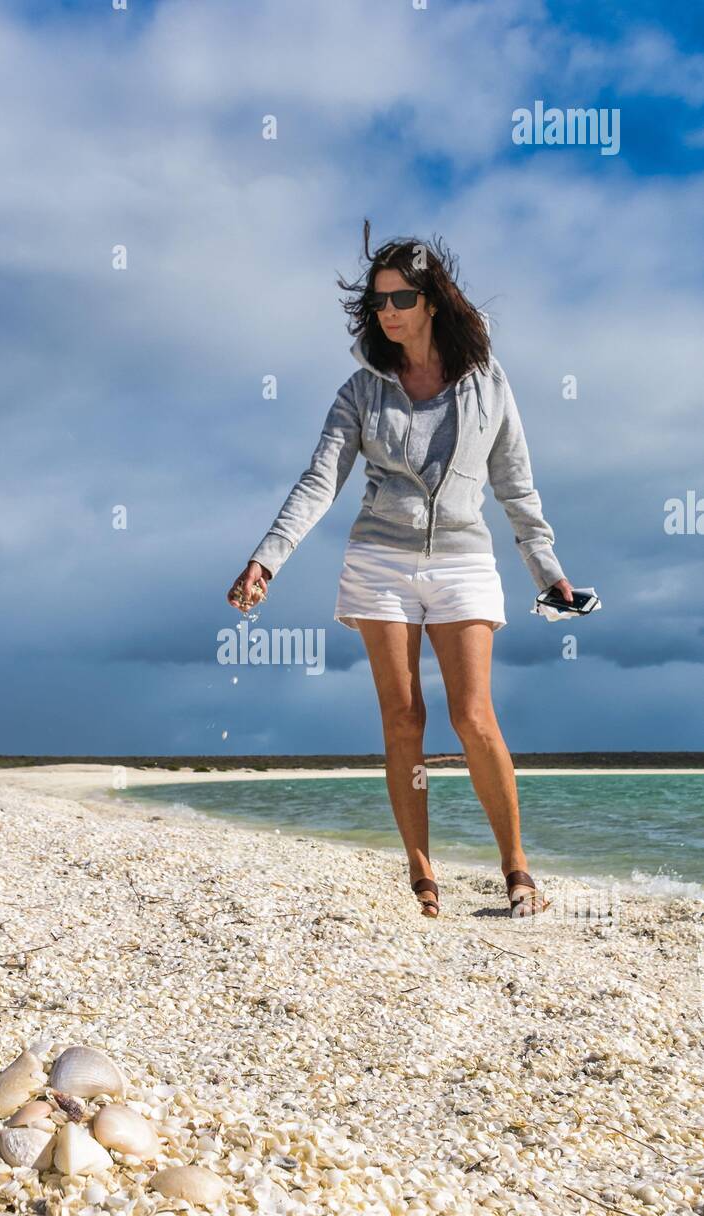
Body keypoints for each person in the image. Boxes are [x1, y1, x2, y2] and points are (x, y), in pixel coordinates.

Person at [227, 223, 573, 919]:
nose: (387, 312)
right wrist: (268, 555)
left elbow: (516, 486)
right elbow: (318, 481)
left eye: (401, 298)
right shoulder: (360, 391)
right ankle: (422, 875)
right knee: (403, 718)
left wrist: (547, 571)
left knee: (473, 717)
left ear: (433, 301)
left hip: (463, 559)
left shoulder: (487, 383)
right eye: (378, 301)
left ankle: (517, 869)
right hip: (379, 562)